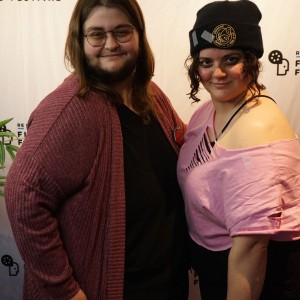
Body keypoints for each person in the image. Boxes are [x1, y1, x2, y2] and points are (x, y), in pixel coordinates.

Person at [4, 0, 190, 299]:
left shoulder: (151, 96)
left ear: (139, 35)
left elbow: (188, 152)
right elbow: (22, 196)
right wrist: (65, 290)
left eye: (122, 31)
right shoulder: (71, 109)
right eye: (97, 34)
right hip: (113, 288)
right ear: (79, 41)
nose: (111, 44)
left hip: (166, 280)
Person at [177, 1, 300, 299]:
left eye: (230, 59)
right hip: (215, 266)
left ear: (252, 61)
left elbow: (251, 251)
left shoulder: (256, 131)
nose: (217, 73)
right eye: (206, 62)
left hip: (254, 277)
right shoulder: (209, 110)